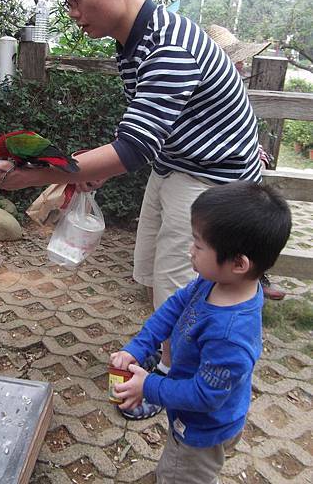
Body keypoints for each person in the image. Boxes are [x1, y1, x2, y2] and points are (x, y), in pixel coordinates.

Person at [0, 0, 262, 419]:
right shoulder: (133, 42)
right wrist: (95, 171)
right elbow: (147, 136)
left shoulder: (169, 46)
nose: (70, 11)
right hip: (175, 166)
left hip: (212, 182)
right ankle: (157, 357)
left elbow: (130, 147)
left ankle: (174, 390)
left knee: (181, 283)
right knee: (152, 272)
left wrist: (35, 175)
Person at [110, 181, 292, 484]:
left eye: (198, 245)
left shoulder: (231, 335)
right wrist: (138, 347)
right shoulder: (216, 282)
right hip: (190, 416)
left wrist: (150, 386)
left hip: (201, 433)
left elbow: (205, 396)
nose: (189, 250)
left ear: (238, 263)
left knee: (183, 474)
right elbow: (174, 306)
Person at [205, 25, 286, 301]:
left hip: (241, 170)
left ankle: (253, 277)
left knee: (248, 225)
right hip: (224, 174)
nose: (241, 65)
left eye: (240, 59)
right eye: (235, 58)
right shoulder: (209, 88)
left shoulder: (231, 84)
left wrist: (254, 147)